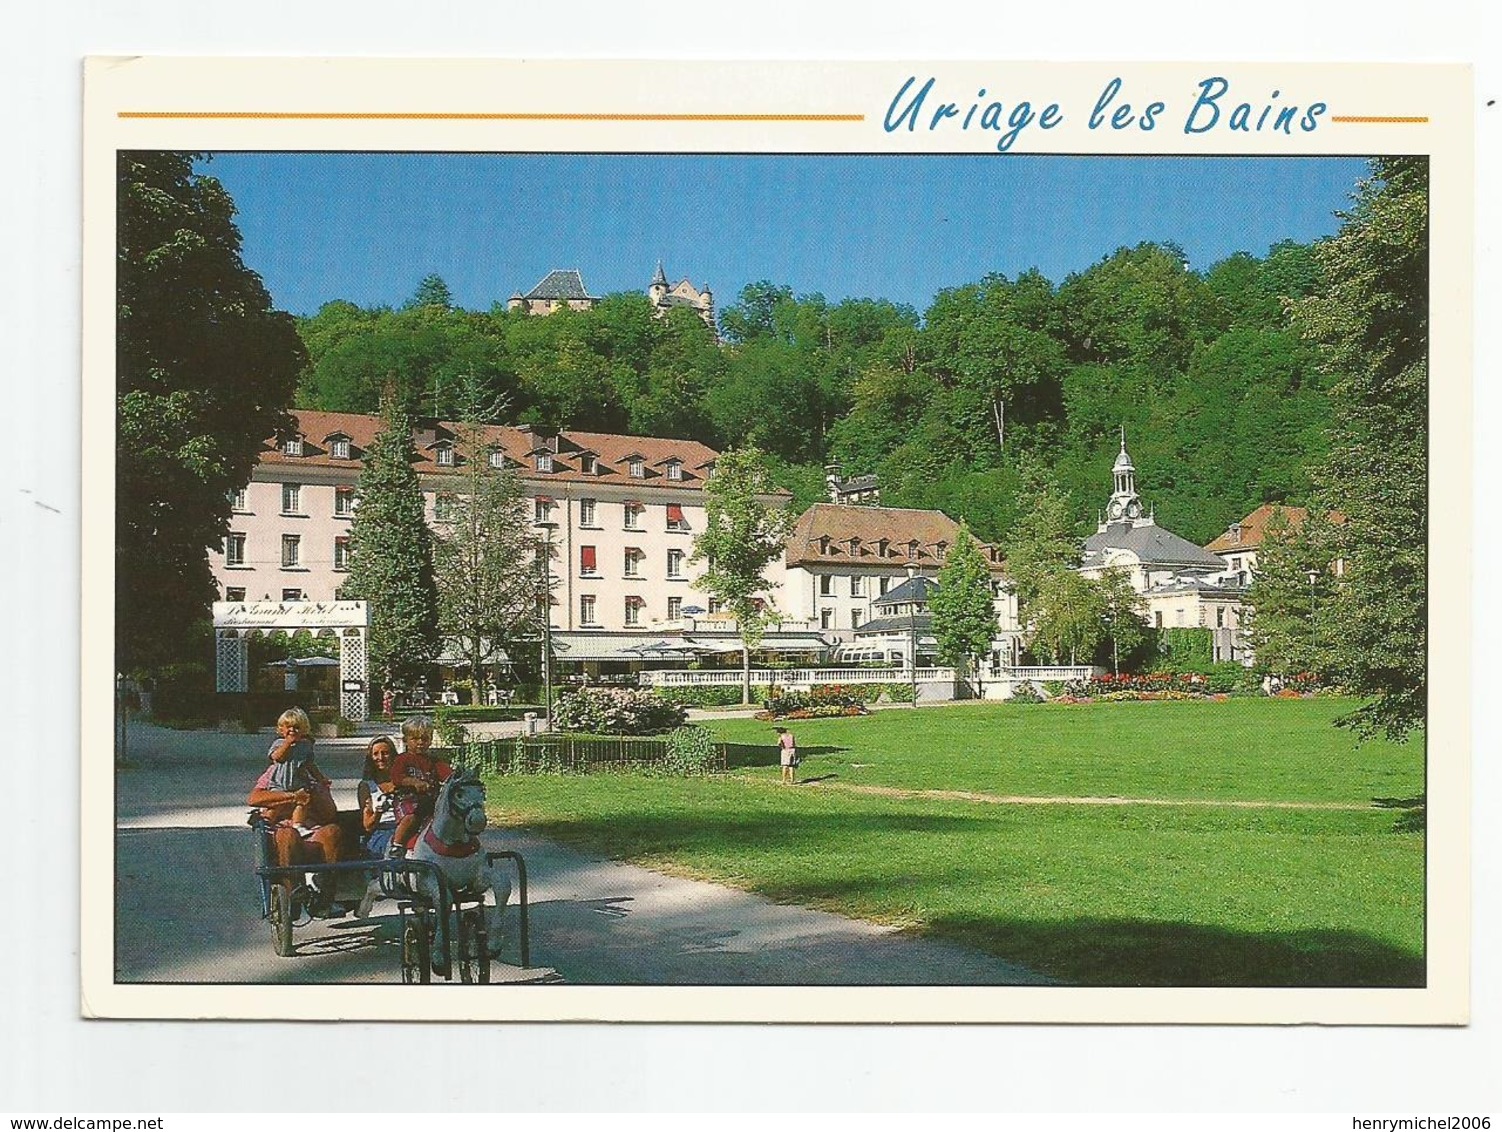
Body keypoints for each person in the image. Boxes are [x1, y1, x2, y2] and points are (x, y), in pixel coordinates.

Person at [248, 707, 345, 912]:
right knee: (288, 835)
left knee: (332, 832)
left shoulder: (305, 767)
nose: (292, 731)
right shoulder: (273, 773)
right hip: (282, 832)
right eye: (288, 727)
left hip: (309, 829)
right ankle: (294, 891)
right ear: (281, 730)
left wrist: (318, 787)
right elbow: (255, 798)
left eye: (297, 728)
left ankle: (324, 895)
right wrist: (292, 797)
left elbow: (329, 813)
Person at [387, 715, 452, 858]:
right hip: (408, 799)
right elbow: (397, 778)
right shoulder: (402, 759)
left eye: (425, 739)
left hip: (430, 800)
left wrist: (458, 777)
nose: (420, 743)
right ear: (405, 740)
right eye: (415, 739)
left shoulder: (434, 761)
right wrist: (414, 782)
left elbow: (448, 775)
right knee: (411, 817)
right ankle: (397, 845)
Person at [358, 735, 399, 858]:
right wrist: (378, 813)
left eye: (385, 753)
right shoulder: (366, 786)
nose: (380, 758)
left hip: (406, 827)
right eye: (376, 754)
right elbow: (368, 826)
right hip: (382, 831)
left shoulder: (403, 781)